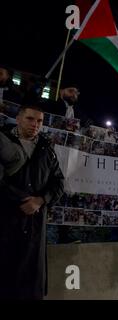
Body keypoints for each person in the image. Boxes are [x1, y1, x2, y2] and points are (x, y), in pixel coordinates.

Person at [0, 101, 65, 299]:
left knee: (30, 283)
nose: (35, 124)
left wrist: (40, 200)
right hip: (5, 222)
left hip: (35, 227)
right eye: (30, 118)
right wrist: (21, 200)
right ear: (18, 118)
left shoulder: (47, 148)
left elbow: (58, 183)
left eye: (39, 121)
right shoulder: (3, 140)